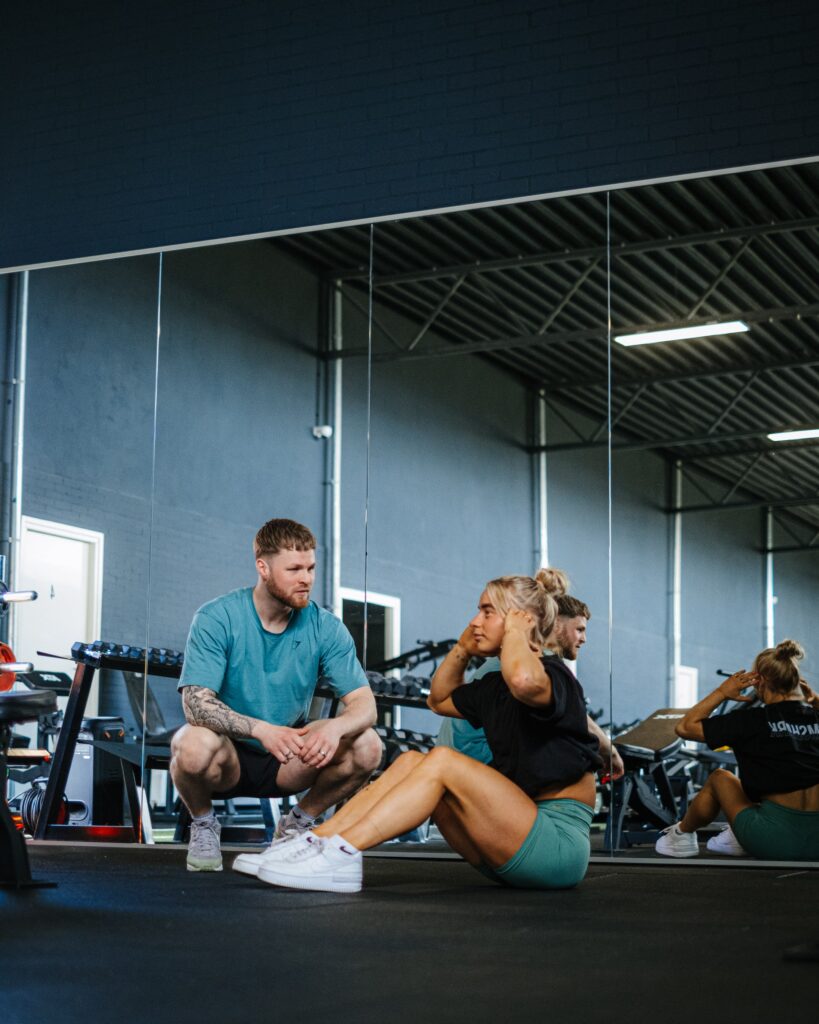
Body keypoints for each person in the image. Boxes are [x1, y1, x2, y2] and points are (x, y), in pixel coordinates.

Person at [243, 570, 602, 893]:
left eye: (488, 612)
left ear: (519, 621)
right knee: (415, 760)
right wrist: (463, 648)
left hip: (556, 846)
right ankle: (314, 842)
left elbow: (524, 680)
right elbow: (440, 699)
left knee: (444, 760)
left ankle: (342, 854)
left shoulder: (555, 677)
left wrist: (516, 634)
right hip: (507, 838)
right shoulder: (493, 687)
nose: (476, 621)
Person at [172, 517, 381, 872]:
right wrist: (261, 730)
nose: (307, 579)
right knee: (191, 743)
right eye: (295, 569)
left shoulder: (326, 627)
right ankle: (204, 824)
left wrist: (333, 728)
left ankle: (297, 825)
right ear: (263, 567)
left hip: (289, 756)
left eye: (311, 568)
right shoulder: (217, 617)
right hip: (228, 755)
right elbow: (196, 704)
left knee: (367, 745)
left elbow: (365, 704)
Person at [655, 639, 819, 861]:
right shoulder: (815, 716)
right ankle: (735, 834)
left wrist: (722, 692)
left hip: (773, 841)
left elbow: (684, 727)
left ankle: (681, 836)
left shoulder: (751, 720)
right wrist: (816, 701)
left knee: (720, 777)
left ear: (759, 681)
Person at [441, 584, 624, 780]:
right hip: (477, 759)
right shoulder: (532, 662)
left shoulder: (512, 656)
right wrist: (610, 753)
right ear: (554, 624)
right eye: (579, 629)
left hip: (461, 755)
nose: (584, 639)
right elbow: (577, 719)